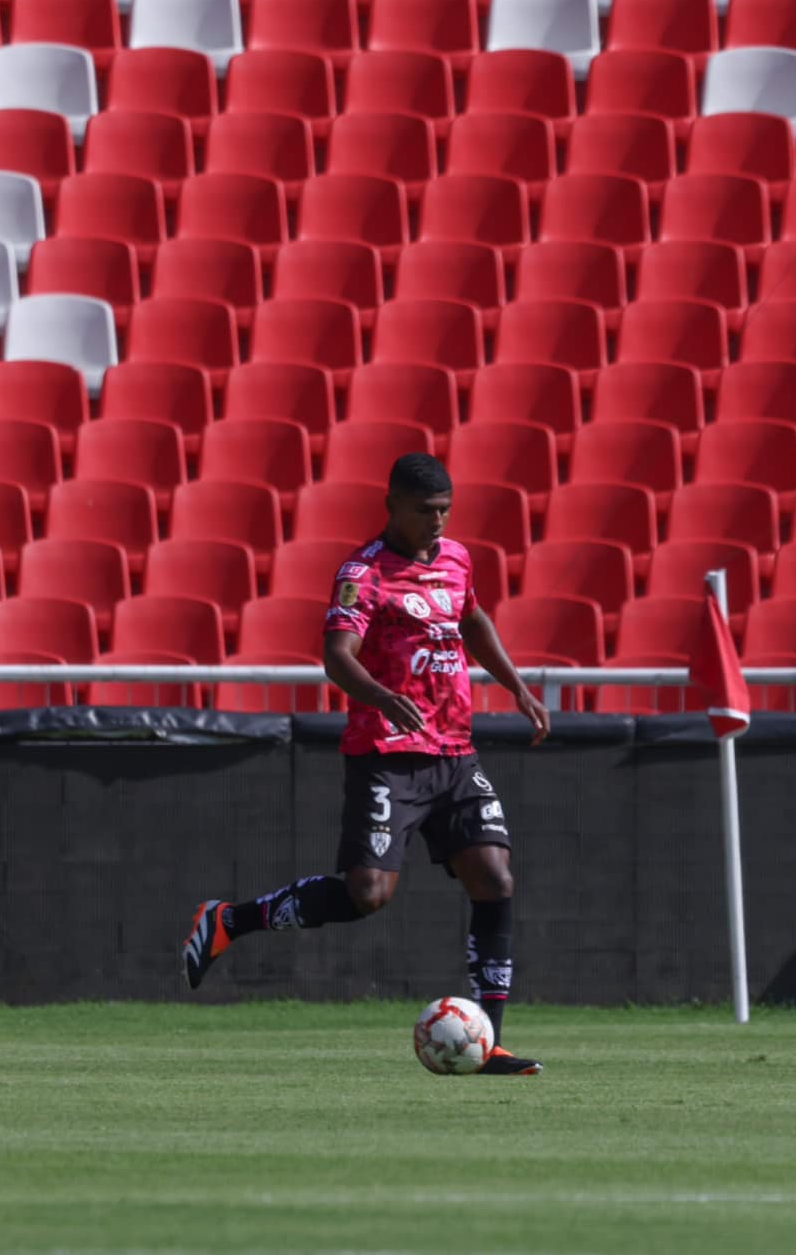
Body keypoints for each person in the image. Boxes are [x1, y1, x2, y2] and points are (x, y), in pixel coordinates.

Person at [180, 453, 551, 1075]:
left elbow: (474, 618)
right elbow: (336, 655)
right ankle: (229, 919)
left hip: (454, 751)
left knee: (495, 880)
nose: (437, 522)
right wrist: (382, 695)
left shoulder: (456, 559)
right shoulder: (363, 573)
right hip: (388, 755)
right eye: (425, 511)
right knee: (367, 895)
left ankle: (489, 1040)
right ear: (393, 506)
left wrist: (516, 686)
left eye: (444, 511)